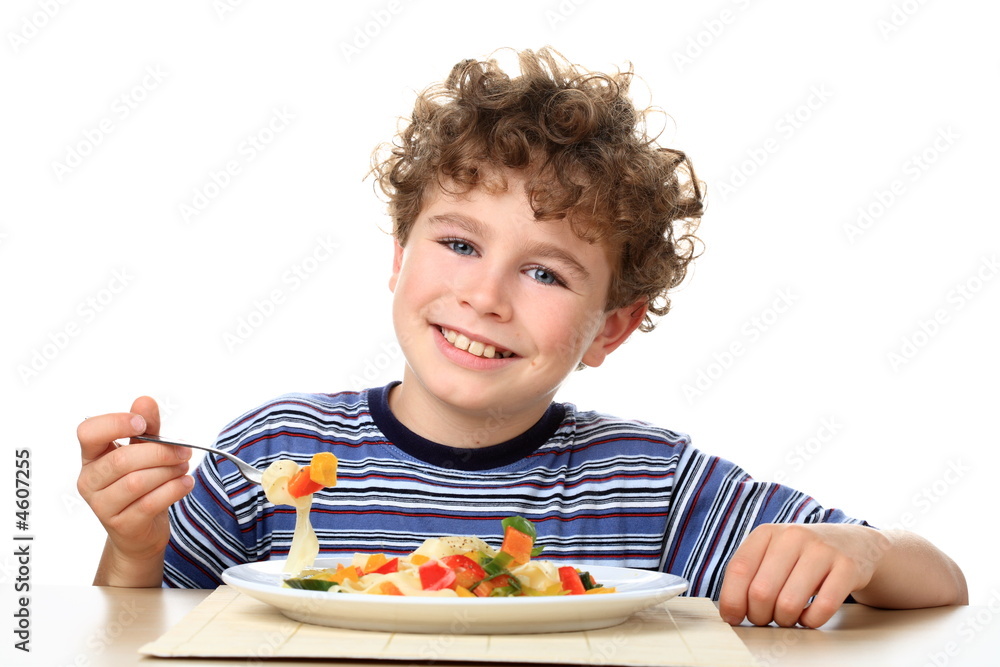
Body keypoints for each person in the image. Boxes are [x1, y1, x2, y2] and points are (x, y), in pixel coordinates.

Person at [76, 47, 967, 629]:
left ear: (608, 330)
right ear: (399, 256)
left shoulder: (648, 481)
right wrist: (133, 540)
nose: (485, 295)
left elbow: (941, 583)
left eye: (546, 272)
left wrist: (863, 550)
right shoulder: (274, 451)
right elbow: (142, 623)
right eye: (459, 243)